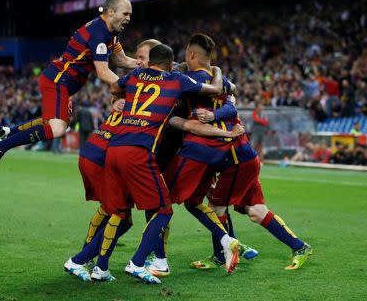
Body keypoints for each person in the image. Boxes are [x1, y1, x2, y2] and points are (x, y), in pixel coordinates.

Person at [64, 40, 240, 283]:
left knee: (118, 213)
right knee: (163, 210)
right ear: (169, 64)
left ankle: (90, 265)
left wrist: (117, 100)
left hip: (113, 150)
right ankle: (140, 262)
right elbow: (215, 90)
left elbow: (115, 85)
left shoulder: (135, 76)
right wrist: (217, 70)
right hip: (139, 153)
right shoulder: (177, 80)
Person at [0, 0, 137, 174]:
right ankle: (1, 147)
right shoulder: (99, 33)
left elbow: (121, 60)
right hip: (58, 81)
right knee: (57, 128)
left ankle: (8, 132)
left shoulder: (111, 33)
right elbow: (103, 72)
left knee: (52, 121)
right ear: (111, 12)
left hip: (64, 82)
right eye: (126, 14)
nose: (129, 18)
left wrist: (147, 65)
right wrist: (134, 86)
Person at [155, 34, 252, 274]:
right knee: (195, 201)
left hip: (198, 147)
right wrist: (217, 70)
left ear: (191, 55)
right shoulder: (219, 79)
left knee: (160, 198)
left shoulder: (183, 79)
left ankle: (155, 260)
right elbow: (232, 91)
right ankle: (226, 245)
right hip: (222, 147)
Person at [192, 107, 313, 271]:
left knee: (215, 209)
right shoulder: (222, 101)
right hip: (245, 158)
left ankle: (220, 257)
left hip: (236, 162)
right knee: (257, 211)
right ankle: (300, 247)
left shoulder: (213, 102)